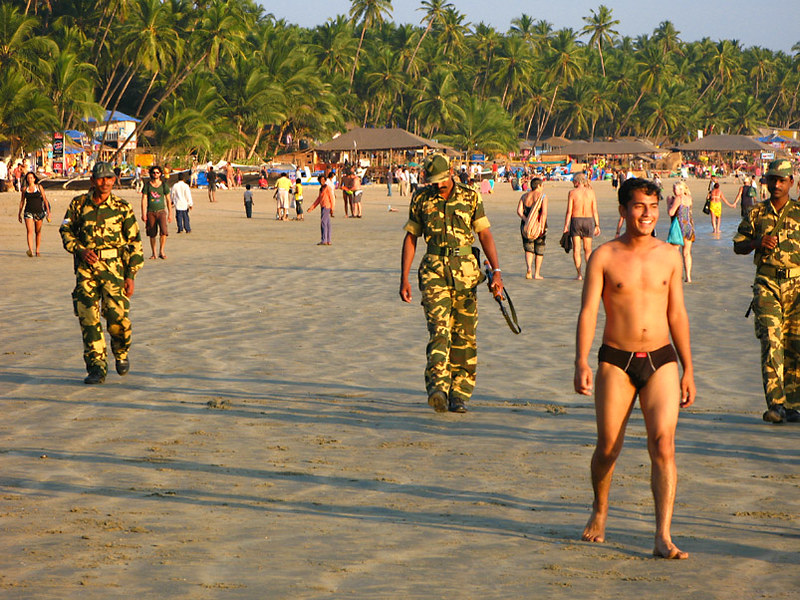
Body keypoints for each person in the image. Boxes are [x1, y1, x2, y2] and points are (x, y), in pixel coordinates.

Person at [575, 177, 695, 559]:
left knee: (664, 444)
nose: (647, 214)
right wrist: (581, 361)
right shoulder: (604, 256)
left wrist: (688, 368)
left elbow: (677, 313)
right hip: (616, 359)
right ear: (624, 209)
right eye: (640, 206)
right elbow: (589, 311)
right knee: (608, 448)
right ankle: (600, 509)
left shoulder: (670, 255)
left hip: (661, 359)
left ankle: (662, 535)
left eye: (653, 207)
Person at [399, 154, 504, 414]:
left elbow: (484, 233)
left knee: (465, 335)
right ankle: (438, 389)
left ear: (451, 173)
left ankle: (459, 394)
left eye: (439, 181)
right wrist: (404, 277)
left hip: (467, 275)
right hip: (434, 272)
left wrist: (497, 271)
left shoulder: (470, 197)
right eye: (432, 181)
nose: (436, 186)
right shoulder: (421, 198)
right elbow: (411, 237)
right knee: (439, 331)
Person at [59, 162, 144, 384]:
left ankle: (121, 351)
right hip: (86, 270)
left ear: (114, 180)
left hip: (114, 269)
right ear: (92, 181)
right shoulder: (78, 205)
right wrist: (80, 249)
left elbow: (135, 243)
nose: (104, 183)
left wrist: (131, 275)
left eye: (109, 179)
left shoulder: (122, 207)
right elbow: (65, 230)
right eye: (100, 178)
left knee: (118, 319)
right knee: (88, 318)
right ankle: (96, 367)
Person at [733, 159, 800, 424]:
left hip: (797, 287)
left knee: (795, 345)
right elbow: (738, 246)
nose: (776, 184)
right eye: (772, 179)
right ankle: (776, 404)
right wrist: (757, 243)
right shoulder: (756, 213)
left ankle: (793, 405)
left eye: (782, 180)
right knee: (772, 343)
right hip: (767, 285)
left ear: (790, 183)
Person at [563, 173, 600, 279]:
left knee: (576, 249)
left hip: (576, 220)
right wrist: (597, 224)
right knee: (588, 249)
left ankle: (579, 274)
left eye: (574, 181)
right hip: (588, 220)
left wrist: (566, 225)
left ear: (577, 182)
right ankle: (589, 273)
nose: (573, 183)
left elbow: (569, 211)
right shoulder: (591, 192)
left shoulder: (572, 193)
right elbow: (594, 210)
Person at [516, 177, 547, 279]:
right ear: (538, 186)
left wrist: (527, 220)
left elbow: (519, 211)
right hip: (538, 224)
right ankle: (537, 273)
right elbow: (544, 213)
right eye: (542, 185)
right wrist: (541, 225)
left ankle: (529, 269)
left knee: (528, 248)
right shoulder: (542, 196)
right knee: (539, 248)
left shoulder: (524, 196)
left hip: (525, 225)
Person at [140, 165, 172, 259]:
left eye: (157, 172)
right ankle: (154, 252)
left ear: (160, 174)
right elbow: (144, 199)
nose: (155, 174)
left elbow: (168, 200)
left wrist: (170, 213)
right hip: (151, 212)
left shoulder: (163, 186)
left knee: (164, 232)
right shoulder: (148, 185)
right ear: (151, 174)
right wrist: (143, 213)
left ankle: (161, 251)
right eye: (154, 173)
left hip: (161, 211)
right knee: (152, 233)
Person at [17, 172, 51, 257]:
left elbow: (45, 199)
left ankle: (37, 250)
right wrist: (19, 213)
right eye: (28, 178)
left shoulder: (39, 187)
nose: (30, 179)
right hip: (28, 212)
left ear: (34, 178)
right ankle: (31, 250)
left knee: (38, 232)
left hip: (39, 212)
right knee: (29, 231)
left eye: (31, 177)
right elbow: (22, 201)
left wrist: (48, 212)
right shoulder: (25, 189)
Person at [667, 181, 695, 283]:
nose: (674, 190)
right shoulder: (689, 198)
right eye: (674, 188)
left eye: (676, 189)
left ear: (682, 189)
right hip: (689, 226)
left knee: (675, 253)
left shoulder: (678, 199)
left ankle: (676, 275)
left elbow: (671, 213)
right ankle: (688, 276)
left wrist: (669, 204)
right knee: (687, 253)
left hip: (678, 227)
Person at [307, 174, 334, 245]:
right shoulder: (321, 189)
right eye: (320, 180)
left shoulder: (328, 188)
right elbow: (319, 199)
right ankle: (328, 240)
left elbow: (332, 198)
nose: (322, 181)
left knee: (323, 223)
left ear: (325, 180)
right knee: (327, 223)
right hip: (323, 207)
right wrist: (312, 208)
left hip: (327, 206)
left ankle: (324, 240)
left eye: (323, 180)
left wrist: (332, 208)